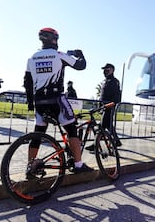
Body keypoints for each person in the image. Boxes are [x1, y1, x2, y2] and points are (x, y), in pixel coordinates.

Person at [23, 27, 93, 173]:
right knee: (72, 129)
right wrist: (81, 55)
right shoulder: (59, 55)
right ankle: (78, 165)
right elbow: (81, 66)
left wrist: (30, 102)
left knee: (38, 134)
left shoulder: (32, 58)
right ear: (54, 40)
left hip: (39, 102)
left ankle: (30, 166)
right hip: (57, 100)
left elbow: (27, 82)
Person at [85, 63, 122, 151]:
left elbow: (117, 96)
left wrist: (111, 104)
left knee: (101, 127)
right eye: (104, 70)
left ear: (112, 70)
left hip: (109, 107)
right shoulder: (105, 81)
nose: (105, 71)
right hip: (103, 107)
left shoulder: (114, 81)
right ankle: (116, 141)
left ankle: (96, 145)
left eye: (107, 69)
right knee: (107, 126)